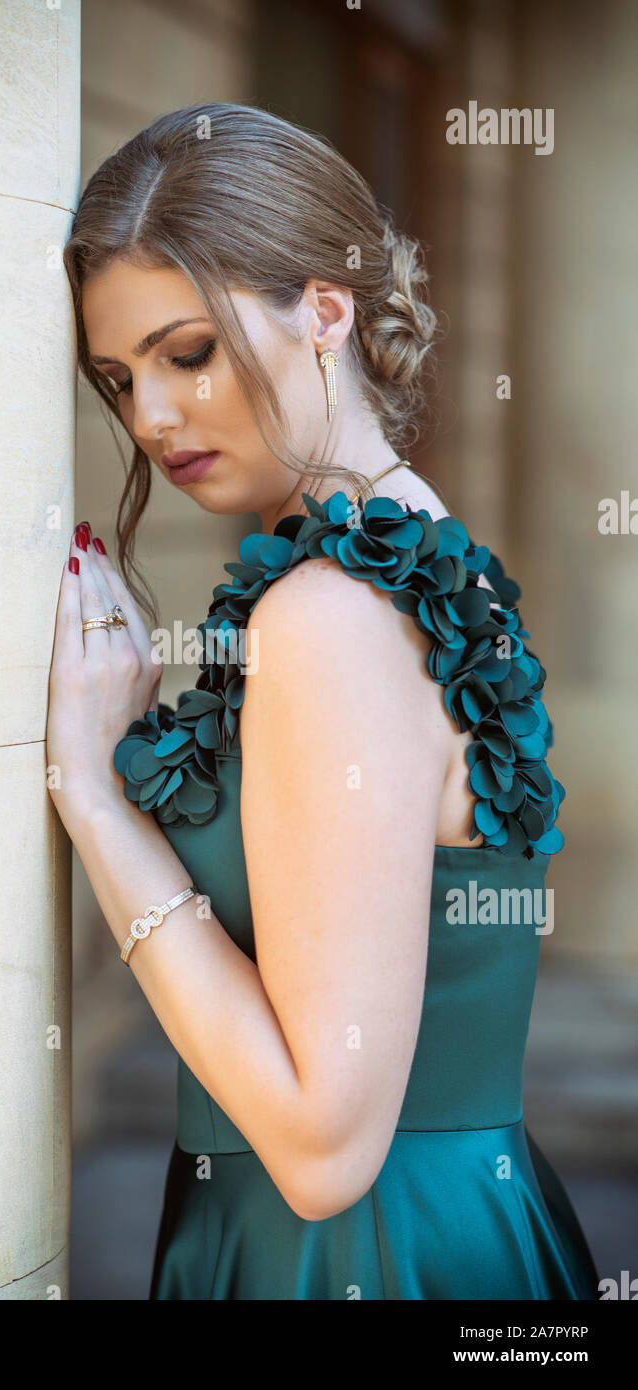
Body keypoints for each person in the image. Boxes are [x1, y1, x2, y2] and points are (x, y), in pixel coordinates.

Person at [48, 102, 600, 1299]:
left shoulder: (328, 614)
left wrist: (98, 804)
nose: (148, 417)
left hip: (353, 1256)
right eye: (118, 375)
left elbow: (318, 1146)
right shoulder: (421, 552)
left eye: (187, 352)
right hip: (462, 1230)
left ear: (327, 309)